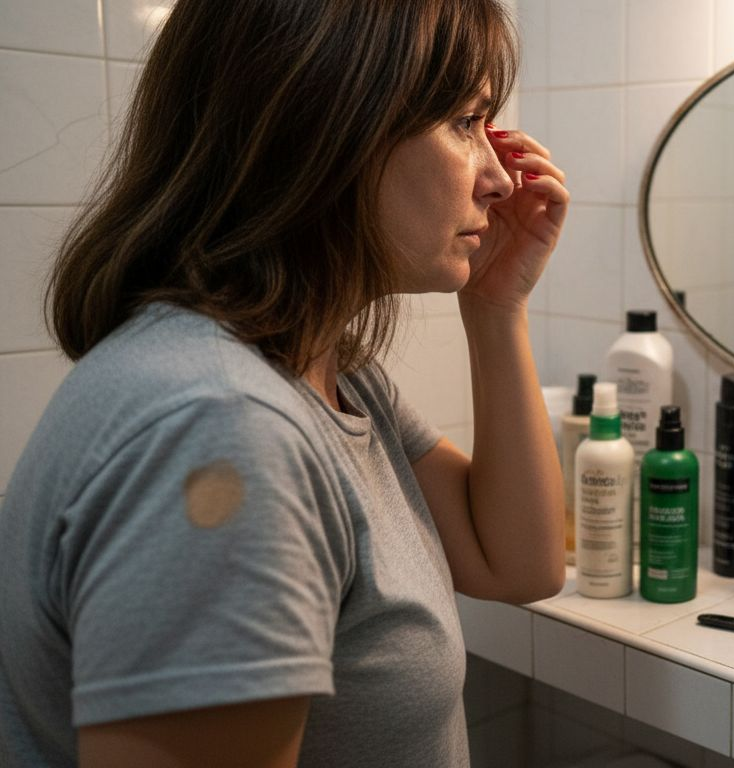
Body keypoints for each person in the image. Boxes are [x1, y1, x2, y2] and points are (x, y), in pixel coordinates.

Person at [0, 1, 568, 766]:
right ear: (326, 126)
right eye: (466, 122)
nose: (499, 179)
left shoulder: (326, 372)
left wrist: (497, 311)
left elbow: (517, 564)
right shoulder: (223, 425)